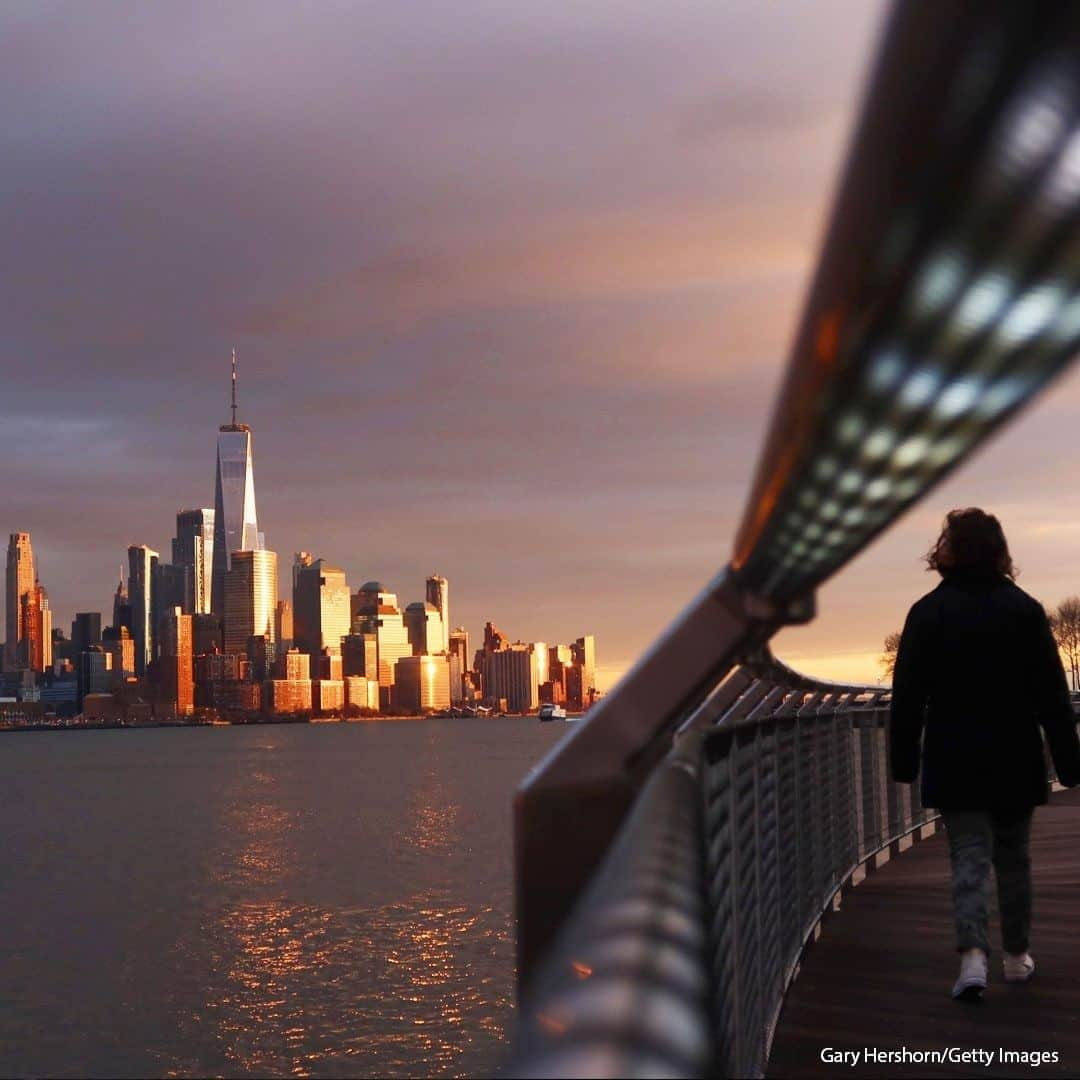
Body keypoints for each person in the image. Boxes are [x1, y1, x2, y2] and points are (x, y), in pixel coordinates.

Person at [890, 507, 1080, 1000]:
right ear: (999, 551)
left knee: (968, 856)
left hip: (956, 753)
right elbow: (1052, 696)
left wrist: (903, 758)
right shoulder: (1024, 610)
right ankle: (1017, 957)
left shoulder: (927, 612)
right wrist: (1069, 759)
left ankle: (973, 958)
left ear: (947, 550)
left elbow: (908, 695)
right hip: (1015, 751)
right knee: (1014, 858)